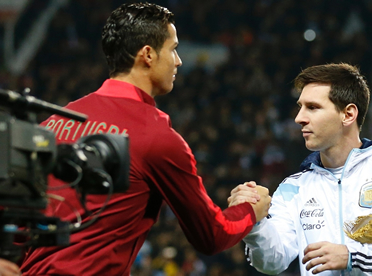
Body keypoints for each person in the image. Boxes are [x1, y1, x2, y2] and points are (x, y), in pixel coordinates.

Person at [20, 2, 270, 275]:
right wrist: (249, 209)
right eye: (173, 49)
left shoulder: (55, 122)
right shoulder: (156, 137)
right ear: (148, 55)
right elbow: (212, 235)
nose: (178, 60)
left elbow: (7, 221)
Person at [228, 63, 372, 275]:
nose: (299, 118)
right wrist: (255, 223)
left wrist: (353, 257)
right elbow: (272, 263)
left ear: (348, 115)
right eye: (300, 107)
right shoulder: (292, 188)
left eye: (312, 107)